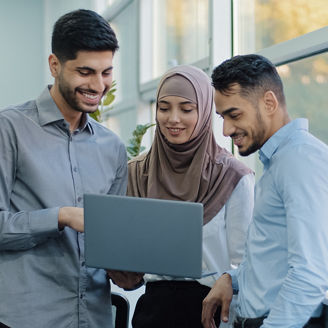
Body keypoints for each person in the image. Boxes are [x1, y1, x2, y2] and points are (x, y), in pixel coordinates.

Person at [0, 9, 128, 328]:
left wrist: (128, 269)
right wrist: (61, 216)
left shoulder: (113, 148)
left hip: (94, 318)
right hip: (26, 319)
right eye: (85, 72)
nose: (99, 86)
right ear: (55, 65)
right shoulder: (9, 129)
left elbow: (111, 239)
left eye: (106, 72)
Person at [202, 54, 328, 328]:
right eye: (222, 116)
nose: (226, 129)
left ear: (269, 103)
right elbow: (273, 253)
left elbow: (310, 273)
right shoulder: (279, 160)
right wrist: (232, 279)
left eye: (234, 115)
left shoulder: (299, 161)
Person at [127, 65, 255, 328]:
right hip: (153, 312)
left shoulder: (233, 176)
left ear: (205, 111)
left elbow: (246, 263)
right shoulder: (137, 172)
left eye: (186, 109)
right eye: (164, 108)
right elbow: (130, 257)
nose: (173, 119)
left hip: (211, 312)